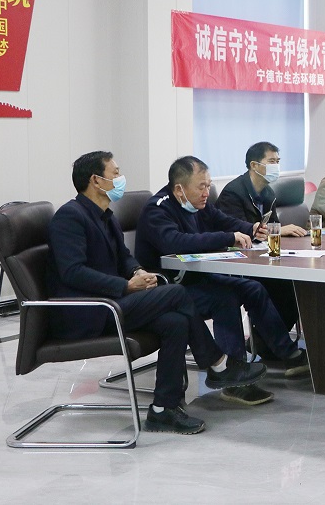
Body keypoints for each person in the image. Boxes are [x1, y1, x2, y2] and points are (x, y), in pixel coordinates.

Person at [46, 151, 266, 433]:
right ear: (96, 181)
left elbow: (124, 258)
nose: (120, 178)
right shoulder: (70, 217)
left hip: (112, 302)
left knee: (175, 322)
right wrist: (125, 285)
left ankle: (163, 409)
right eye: (115, 173)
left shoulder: (105, 215)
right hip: (88, 312)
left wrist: (137, 271)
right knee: (175, 293)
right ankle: (217, 363)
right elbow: (73, 272)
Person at [135, 156, 309, 404]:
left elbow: (222, 220)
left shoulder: (198, 204)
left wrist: (250, 228)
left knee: (252, 288)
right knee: (224, 297)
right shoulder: (158, 210)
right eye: (201, 187)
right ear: (179, 189)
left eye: (208, 186)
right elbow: (175, 242)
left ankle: (287, 354)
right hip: (169, 289)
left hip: (195, 279)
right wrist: (228, 237)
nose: (207, 192)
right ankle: (233, 378)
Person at [215, 141, 306, 364]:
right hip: (237, 263)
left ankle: (265, 343)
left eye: (278, 161)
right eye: (271, 161)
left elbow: (270, 227)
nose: (276, 166)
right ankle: (274, 346)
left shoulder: (267, 192)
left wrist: (277, 231)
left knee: (294, 285)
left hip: (261, 259)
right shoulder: (233, 193)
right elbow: (236, 234)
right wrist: (276, 231)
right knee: (276, 286)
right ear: (254, 165)